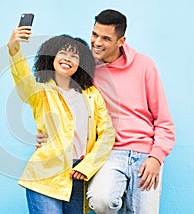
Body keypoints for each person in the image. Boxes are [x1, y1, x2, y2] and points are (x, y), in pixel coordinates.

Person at [36, 9, 175, 214]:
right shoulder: (85, 69)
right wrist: (48, 134)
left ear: (121, 40)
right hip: (108, 153)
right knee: (101, 201)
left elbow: (164, 120)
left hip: (145, 153)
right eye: (94, 35)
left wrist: (156, 157)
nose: (97, 42)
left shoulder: (145, 65)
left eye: (106, 38)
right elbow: (66, 104)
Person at [7, 24, 115, 214]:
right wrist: (14, 48)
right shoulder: (40, 91)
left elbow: (107, 134)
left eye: (75, 56)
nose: (67, 59)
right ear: (52, 57)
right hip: (45, 176)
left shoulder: (92, 95)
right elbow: (22, 78)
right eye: (63, 53)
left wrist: (87, 166)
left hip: (79, 176)